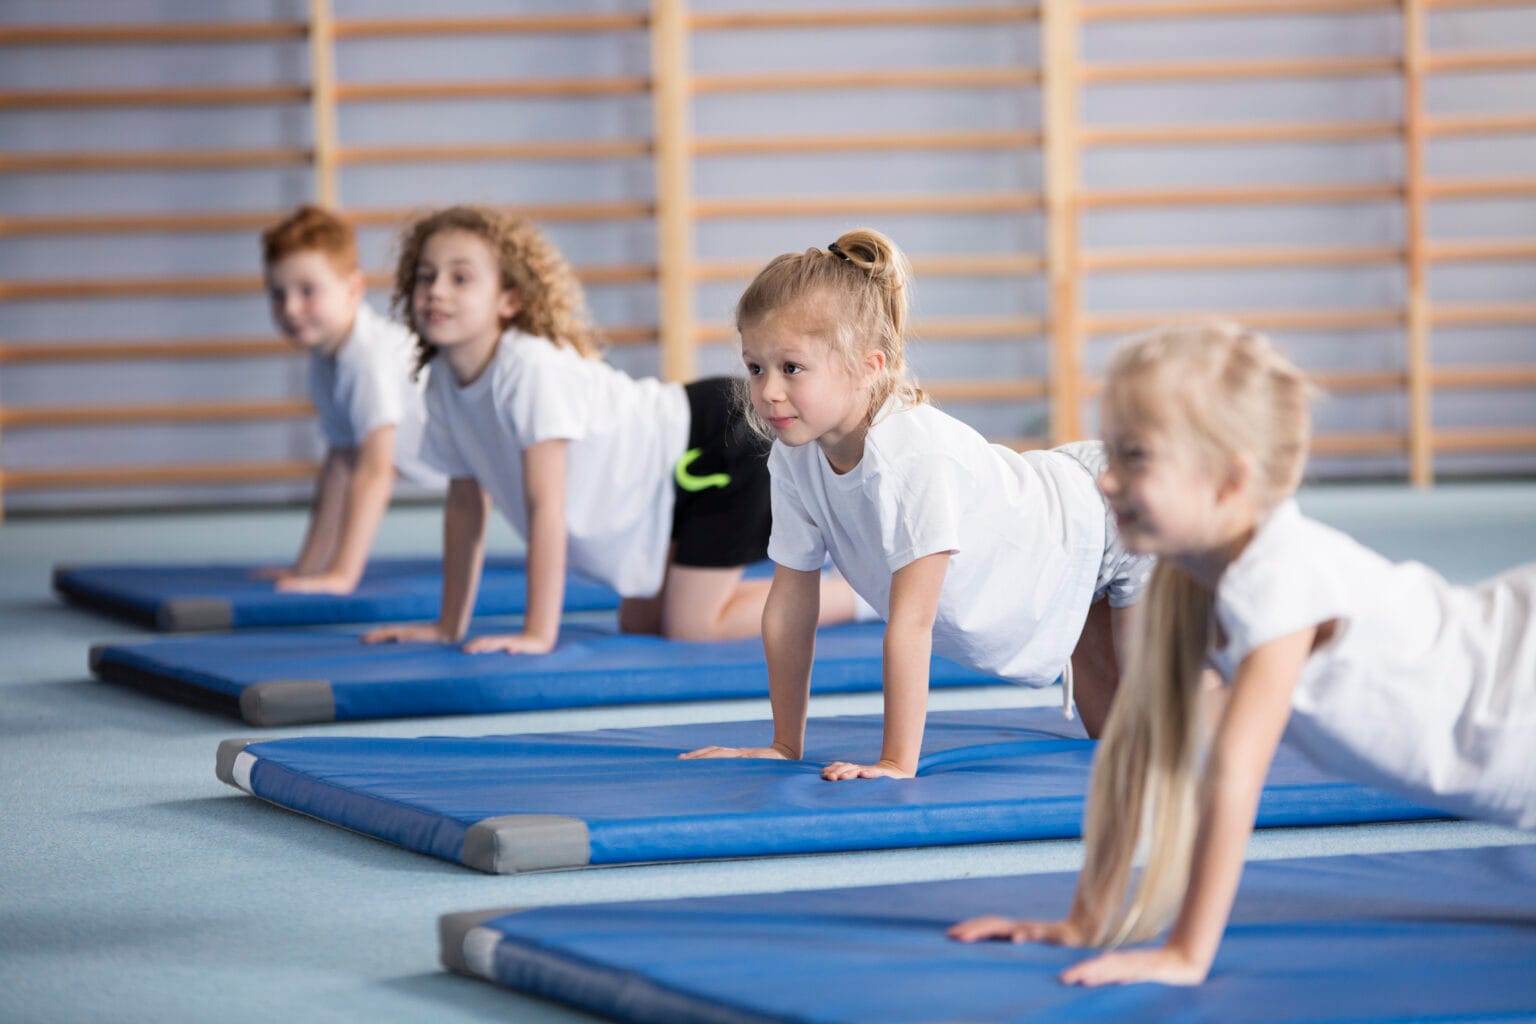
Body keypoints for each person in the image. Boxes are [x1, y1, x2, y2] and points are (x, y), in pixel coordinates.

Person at [948, 321, 1536, 986]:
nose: (1105, 482)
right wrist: (1087, 919)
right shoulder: (1184, 580)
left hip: (1514, 692)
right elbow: (1140, 749)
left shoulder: (1276, 578)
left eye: (1135, 457)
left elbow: (1233, 774)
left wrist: (1186, 954)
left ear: (1230, 482)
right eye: (1110, 454)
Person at [682, 228, 1149, 780]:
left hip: (1113, 515)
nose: (767, 392)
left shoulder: (909, 458)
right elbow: (789, 604)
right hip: (1062, 551)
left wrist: (895, 762)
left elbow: (912, 621)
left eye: (792, 367)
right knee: (1115, 746)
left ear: (869, 365)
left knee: (1162, 732)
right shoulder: (793, 457)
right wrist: (786, 744)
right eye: (755, 367)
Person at [363, 205, 855, 654]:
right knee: (642, 623)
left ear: (509, 299)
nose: (436, 291)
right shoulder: (443, 382)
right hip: (663, 487)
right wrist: (448, 626)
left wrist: (538, 632)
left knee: (692, 626)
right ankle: (821, 583)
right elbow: (466, 503)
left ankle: (857, 597)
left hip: (716, 444)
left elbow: (546, 508)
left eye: (460, 278)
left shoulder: (528, 369)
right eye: (425, 277)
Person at [259, 205, 443, 595]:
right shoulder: (325, 356)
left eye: (308, 291)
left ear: (353, 289)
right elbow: (341, 461)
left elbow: (376, 472)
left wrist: (342, 575)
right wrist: (308, 567)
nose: (291, 309)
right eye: (278, 294)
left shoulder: (366, 359)